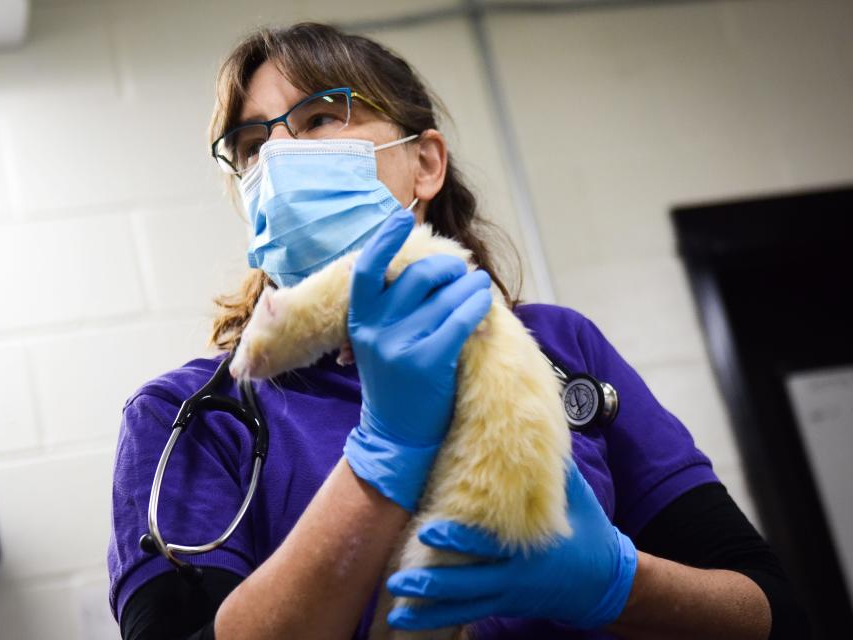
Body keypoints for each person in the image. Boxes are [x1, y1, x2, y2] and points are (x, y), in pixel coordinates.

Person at [107, 22, 807, 640]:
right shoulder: (190, 415)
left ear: (426, 164)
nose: (280, 159)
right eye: (253, 142)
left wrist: (616, 588)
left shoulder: (559, 348)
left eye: (321, 117)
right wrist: (383, 456)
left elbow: (771, 613)